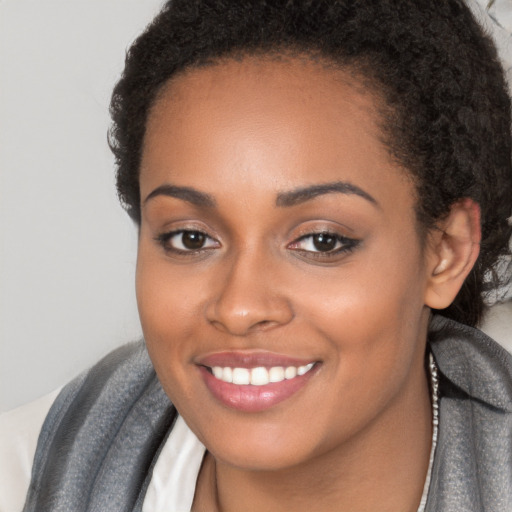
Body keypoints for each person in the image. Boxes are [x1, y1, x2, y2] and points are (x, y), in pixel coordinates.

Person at [1, 0, 512, 511]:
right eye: (191, 238)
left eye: (321, 241)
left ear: (445, 252)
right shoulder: (20, 480)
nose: (239, 307)